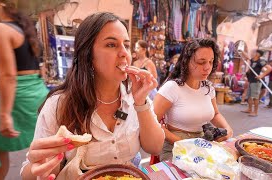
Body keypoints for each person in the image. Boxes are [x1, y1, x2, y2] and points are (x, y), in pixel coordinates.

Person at [20, 12, 165, 180]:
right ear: (88, 56)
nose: (124, 53)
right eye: (111, 45)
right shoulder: (59, 104)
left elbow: (155, 147)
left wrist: (141, 103)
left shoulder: (134, 95)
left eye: (126, 44)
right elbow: (28, 173)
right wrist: (41, 165)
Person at [0, 0, 49, 179]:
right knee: (42, 156)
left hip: (18, 97)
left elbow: (8, 75)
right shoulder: (23, 29)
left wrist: (4, 114)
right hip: (37, 93)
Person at [153, 39, 233, 161]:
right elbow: (153, 122)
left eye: (211, 62)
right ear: (186, 61)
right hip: (175, 146)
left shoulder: (208, 87)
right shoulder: (172, 88)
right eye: (201, 62)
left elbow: (215, 114)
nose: (207, 67)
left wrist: (227, 129)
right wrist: (182, 142)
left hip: (203, 142)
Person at [240, 50, 272, 117]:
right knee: (249, 97)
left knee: (255, 97)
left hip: (256, 82)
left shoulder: (261, 61)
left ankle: (255, 112)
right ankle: (249, 109)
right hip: (251, 81)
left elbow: (269, 68)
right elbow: (247, 57)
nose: (253, 53)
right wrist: (242, 51)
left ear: (258, 54)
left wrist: (261, 75)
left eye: (255, 52)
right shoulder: (253, 60)